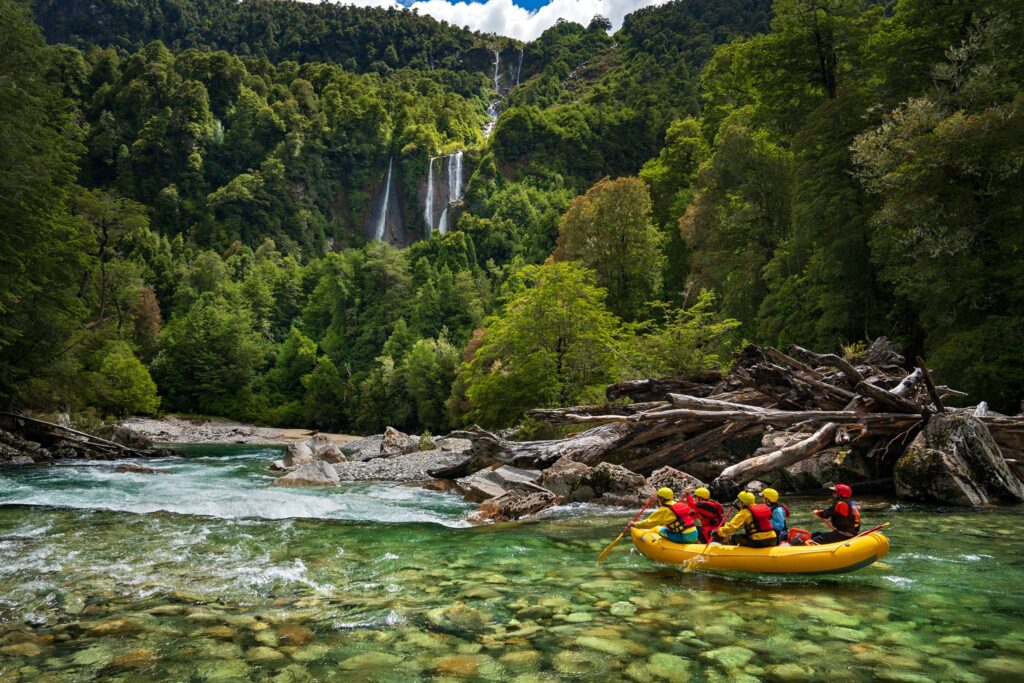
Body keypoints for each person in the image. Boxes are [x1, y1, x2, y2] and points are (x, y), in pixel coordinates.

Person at [630, 487, 699, 544]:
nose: (658, 500)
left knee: (659, 530)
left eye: (658, 498)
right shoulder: (677, 502)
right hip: (694, 534)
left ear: (662, 499)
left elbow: (649, 523)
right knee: (665, 527)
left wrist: (634, 524)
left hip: (684, 537)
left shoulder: (664, 510)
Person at [712, 491, 778, 548]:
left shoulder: (744, 513)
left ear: (742, 503)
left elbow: (731, 527)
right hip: (773, 539)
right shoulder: (761, 508)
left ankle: (733, 557)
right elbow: (752, 518)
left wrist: (718, 532)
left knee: (733, 537)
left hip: (759, 541)